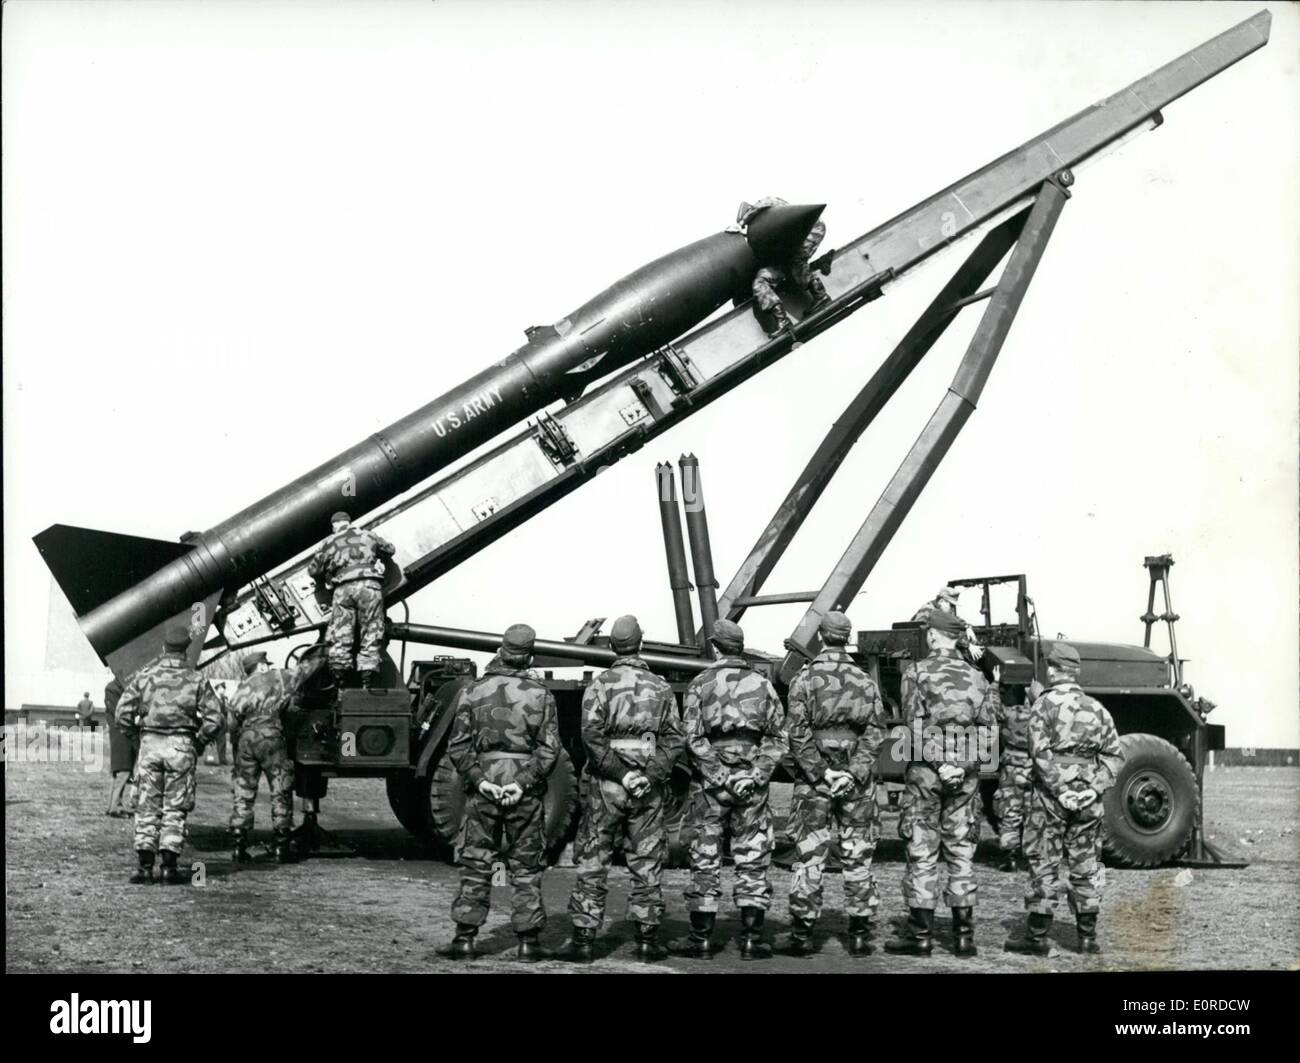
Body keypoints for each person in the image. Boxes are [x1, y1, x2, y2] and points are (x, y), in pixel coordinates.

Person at [559, 615, 684, 963]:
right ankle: (646, 941)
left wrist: (620, 773)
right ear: (640, 644)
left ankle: (584, 940)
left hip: (607, 786)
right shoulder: (660, 687)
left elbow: (591, 735)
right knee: (646, 859)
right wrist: (651, 774)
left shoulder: (600, 684)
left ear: (612, 646)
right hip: (648, 786)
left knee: (593, 857)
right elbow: (675, 738)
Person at [439, 624, 561, 962]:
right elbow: (550, 750)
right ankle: (528, 943)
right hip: (525, 790)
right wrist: (521, 783)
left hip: (484, 788)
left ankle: (464, 939)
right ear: (530, 655)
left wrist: (480, 781)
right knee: (526, 866)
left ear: (501, 650)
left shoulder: (473, 691)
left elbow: (458, 747)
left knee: (476, 860)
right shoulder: (541, 694)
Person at [668, 619, 787, 960]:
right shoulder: (763, 685)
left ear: (715, 646)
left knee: (705, 856)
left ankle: (701, 940)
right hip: (751, 781)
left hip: (709, 785)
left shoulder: (700, 683)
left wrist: (719, 774)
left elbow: (690, 736)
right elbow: (778, 738)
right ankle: (751, 939)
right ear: (740, 646)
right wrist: (753, 775)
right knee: (752, 855)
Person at [885, 610, 1000, 957]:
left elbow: (913, 724)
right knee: (961, 849)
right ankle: (964, 938)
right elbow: (989, 731)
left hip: (925, 772)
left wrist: (941, 763)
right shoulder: (977, 677)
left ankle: (921, 937)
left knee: (922, 850)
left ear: (934, 636)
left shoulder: (916, 672)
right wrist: (961, 766)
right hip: (964, 777)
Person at [778, 611, 887, 958]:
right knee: (858, 855)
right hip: (857, 782)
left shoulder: (804, 678)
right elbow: (875, 732)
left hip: (815, 784)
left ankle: (802, 935)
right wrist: (853, 772)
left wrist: (821, 772)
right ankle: (858, 935)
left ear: (821, 637)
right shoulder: (865, 681)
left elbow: (796, 733)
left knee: (810, 854)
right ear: (847, 637)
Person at [1006, 643, 1124, 956]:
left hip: (1049, 797)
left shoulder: (1043, 705)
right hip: (1087, 797)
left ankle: (1037, 939)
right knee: (1086, 864)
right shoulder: (1098, 709)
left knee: (1044, 863)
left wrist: (1060, 790)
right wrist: (1091, 788)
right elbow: (1115, 756)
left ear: (1053, 670)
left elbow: (1040, 753)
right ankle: (1087, 938)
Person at [115, 625, 223, 884]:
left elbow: (122, 715)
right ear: (186, 650)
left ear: (164, 648)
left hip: (150, 744)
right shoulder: (196, 679)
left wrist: (137, 739)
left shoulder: (144, 676)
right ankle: (169, 867)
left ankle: (143, 867)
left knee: (146, 805)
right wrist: (198, 742)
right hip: (181, 747)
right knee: (175, 807)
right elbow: (215, 719)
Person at [307, 510, 395, 688]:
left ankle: (340, 678)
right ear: (349, 522)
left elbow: (313, 570)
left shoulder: (328, 542)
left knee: (341, 632)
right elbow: (390, 549)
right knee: (371, 628)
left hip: (343, 589)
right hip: (369, 586)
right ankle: (367, 677)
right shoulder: (368, 535)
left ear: (334, 526)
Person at [227, 651, 299, 864]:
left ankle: (239, 846)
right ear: (260, 666)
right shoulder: (276, 679)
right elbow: (301, 677)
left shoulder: (241, 689)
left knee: (243, 791)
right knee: (280, 788)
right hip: (272, 737)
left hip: (246, 739)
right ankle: (281, 846)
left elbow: (232, 722)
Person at [734, 196, 829, 339]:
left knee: (796, 261)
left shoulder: (769, 204)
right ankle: (782, 321)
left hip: (812, 228)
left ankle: (821, 296)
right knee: (760, 282)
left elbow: (766, 203)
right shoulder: (770, 235)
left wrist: (741, 222)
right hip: (787, 252)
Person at [993, 680, 1042, 871]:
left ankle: (1010, 857)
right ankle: (1032, 858)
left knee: (1009, 812)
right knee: (1033, 814)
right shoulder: (1042, 717)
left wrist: (995, 685)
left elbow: (995, 709)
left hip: (1011, 768)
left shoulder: (1012, 713)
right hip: (1034, 769)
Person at [912, 585, 984, 662]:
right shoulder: (930, 611)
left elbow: (954, 619)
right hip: (922, 650)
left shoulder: (939, 609)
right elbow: (946, 633)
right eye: (951, 605)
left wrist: (967, 627)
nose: (952, 609)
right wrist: (968, 645)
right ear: (942, 601)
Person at [104, 676, 135, 818]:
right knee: (123, 771)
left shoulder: (117, 687)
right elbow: (120, 712)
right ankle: (114, 807)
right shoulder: (113, 688)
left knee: (119, 772)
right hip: (121, 733)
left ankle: (114, 804)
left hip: (120, 733)